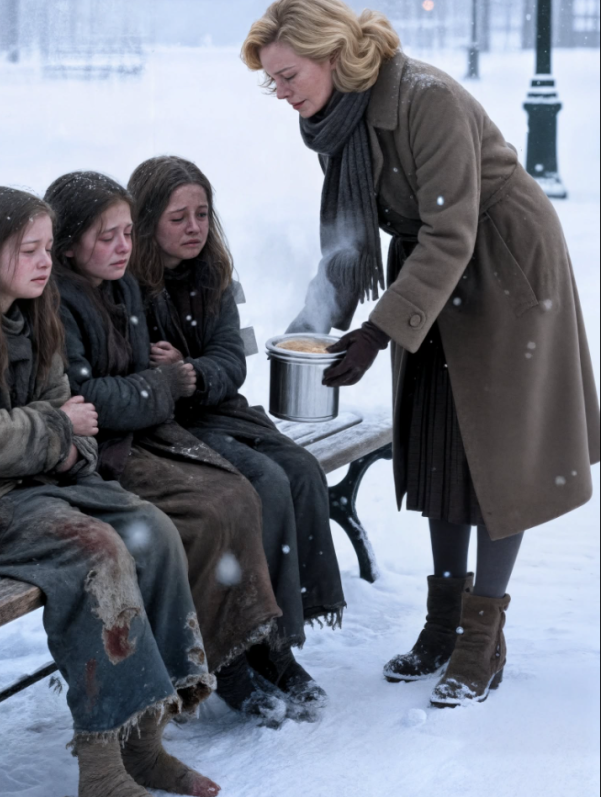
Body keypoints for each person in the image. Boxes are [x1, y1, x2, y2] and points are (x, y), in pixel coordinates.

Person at [242, 0, 600, 706]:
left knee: (495, 453)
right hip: (429, 277)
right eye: (273, 82)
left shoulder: (422, 99)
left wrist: (376, 332)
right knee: (440, 445)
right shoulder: (334, 122)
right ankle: (441, 623)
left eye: (286, 75)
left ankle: (480, 637)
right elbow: (346, 243)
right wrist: (309, 333)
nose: (280, 93)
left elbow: (450, 232)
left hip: (498, 263)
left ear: (330, 55)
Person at [0, 186, 220, 797]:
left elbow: (75, 413)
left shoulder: (35, 314)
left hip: (28, 481)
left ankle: (143, 742)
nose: (44, 262)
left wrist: (64, 438)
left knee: (154, 533)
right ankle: (101, 769)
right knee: (96, 551)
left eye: (45, 248)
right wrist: (58, 431)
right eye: (28, 250)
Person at [44, 171, 291, 725]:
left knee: (240, 492)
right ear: (68, 244)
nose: (122, 248)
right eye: (106, 237)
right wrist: (161, 388)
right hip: (98, 456)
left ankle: (254, 643)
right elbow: (90, 398)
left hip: (142, 433)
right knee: (206, 513)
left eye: (128, 234)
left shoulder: (124, 285)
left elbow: (135, 383)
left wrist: (153, 390)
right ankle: (212, 662)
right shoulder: (59, 302)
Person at [126, 155, 346, 715]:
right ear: (148, 220)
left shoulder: (212, 274)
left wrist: (195, 372)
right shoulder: (129, 283)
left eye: (202, 213)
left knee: (300, 472)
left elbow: (231, 359)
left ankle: (276, 642)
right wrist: (168, 376)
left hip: (216, 408)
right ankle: (242, 644)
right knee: (262, 484)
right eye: (178, 218)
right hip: (165, 427)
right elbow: (127, 369)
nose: (194, 227)